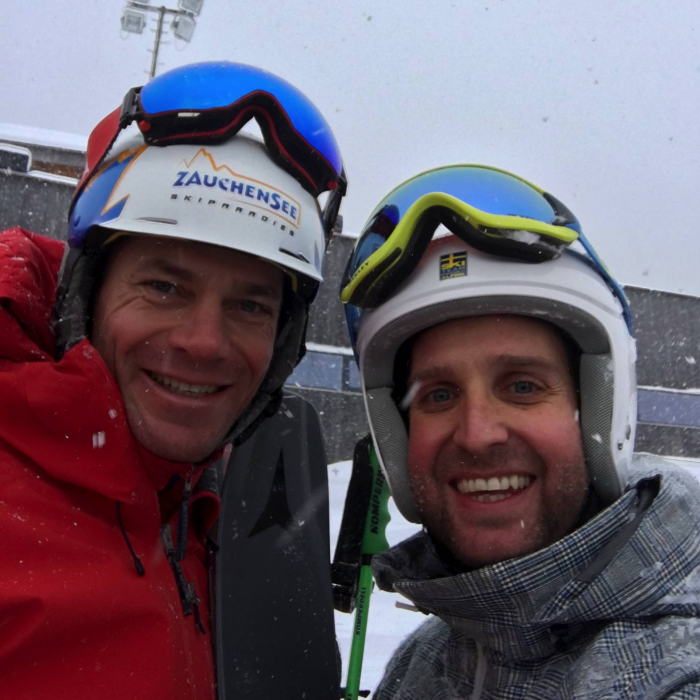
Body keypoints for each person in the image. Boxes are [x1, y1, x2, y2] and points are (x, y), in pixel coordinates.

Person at [0, 61, 346, 699]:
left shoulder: (218, 503)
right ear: (87, 294)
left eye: (250, 305)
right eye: (164, 286)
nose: (204, 342)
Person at [339, 165, 700, 699]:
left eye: (523, 386)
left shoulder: (673, 675)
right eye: (438, 395)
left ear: (599, 408)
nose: (477, 434)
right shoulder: (426, 660)